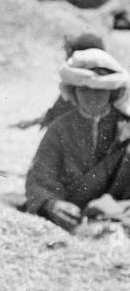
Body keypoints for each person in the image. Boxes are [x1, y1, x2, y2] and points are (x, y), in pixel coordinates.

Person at [24, 48, 130, 231]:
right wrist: (52, 204)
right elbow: (40, 177)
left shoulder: (126, 128)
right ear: (73, 92)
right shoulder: (60, 128)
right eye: (85, 90)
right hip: (72, 215)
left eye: (100, 91)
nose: (92, 98)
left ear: (112, 93)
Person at [12, 31, 104, 130]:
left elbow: (58, 110)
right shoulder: (109, 83)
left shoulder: (76, 86)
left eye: (70, 55)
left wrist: (36, 122)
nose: (66, 59)